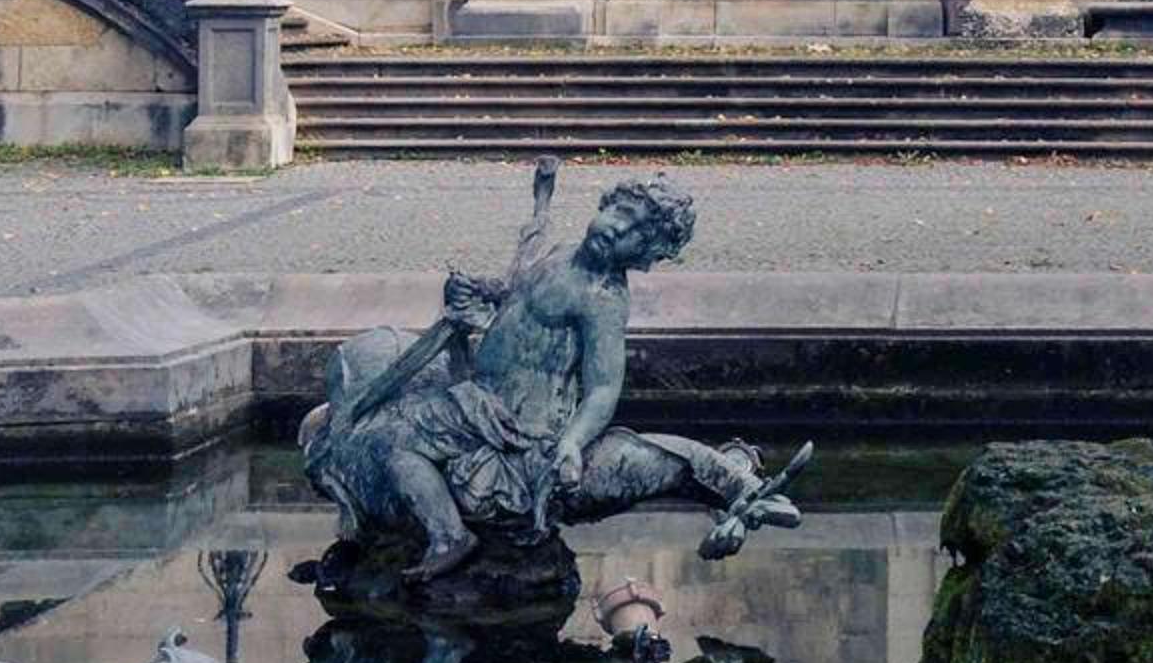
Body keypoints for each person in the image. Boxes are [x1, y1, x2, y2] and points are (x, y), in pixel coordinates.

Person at [304, 167, 798, 582]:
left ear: (646, 254)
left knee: (395, 444)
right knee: (386, 425)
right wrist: (476, 288)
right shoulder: (559, 255)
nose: (618, 230)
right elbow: (514, 286)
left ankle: (450, 536)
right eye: (621, 213)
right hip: (480, 400)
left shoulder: (602, 300)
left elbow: (603, 388)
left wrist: (572, 444)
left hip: (518, 426)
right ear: (606, 204)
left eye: (636, 234)